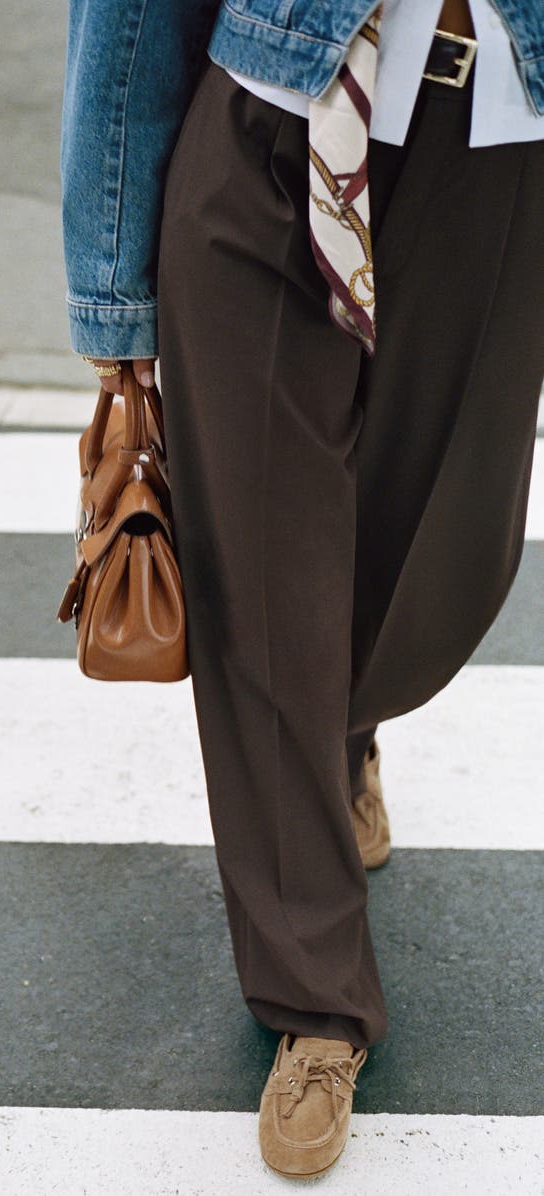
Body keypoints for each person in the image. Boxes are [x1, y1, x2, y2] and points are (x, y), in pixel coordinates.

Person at [60, 0, 544, 1179]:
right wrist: (113, 293)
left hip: (484, 145)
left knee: (439, 544)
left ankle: (347, 729)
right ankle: (315, 1003)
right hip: (271, 137)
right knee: (265, 585)